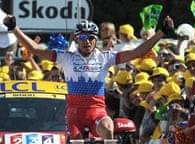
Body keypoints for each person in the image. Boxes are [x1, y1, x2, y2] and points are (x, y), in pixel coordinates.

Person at [3, 14, 174, 140]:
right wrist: (14, 29)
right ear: (77, 39)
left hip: (98, 113)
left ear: (95, 39)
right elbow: (36, 50)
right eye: (83, 37)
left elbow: (138, 52)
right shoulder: (66, 57)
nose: (88, 41)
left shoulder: (106, 57)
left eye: (91, 37)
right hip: (74, 115)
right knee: (75, 140)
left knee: (108, 129)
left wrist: (161, 33)